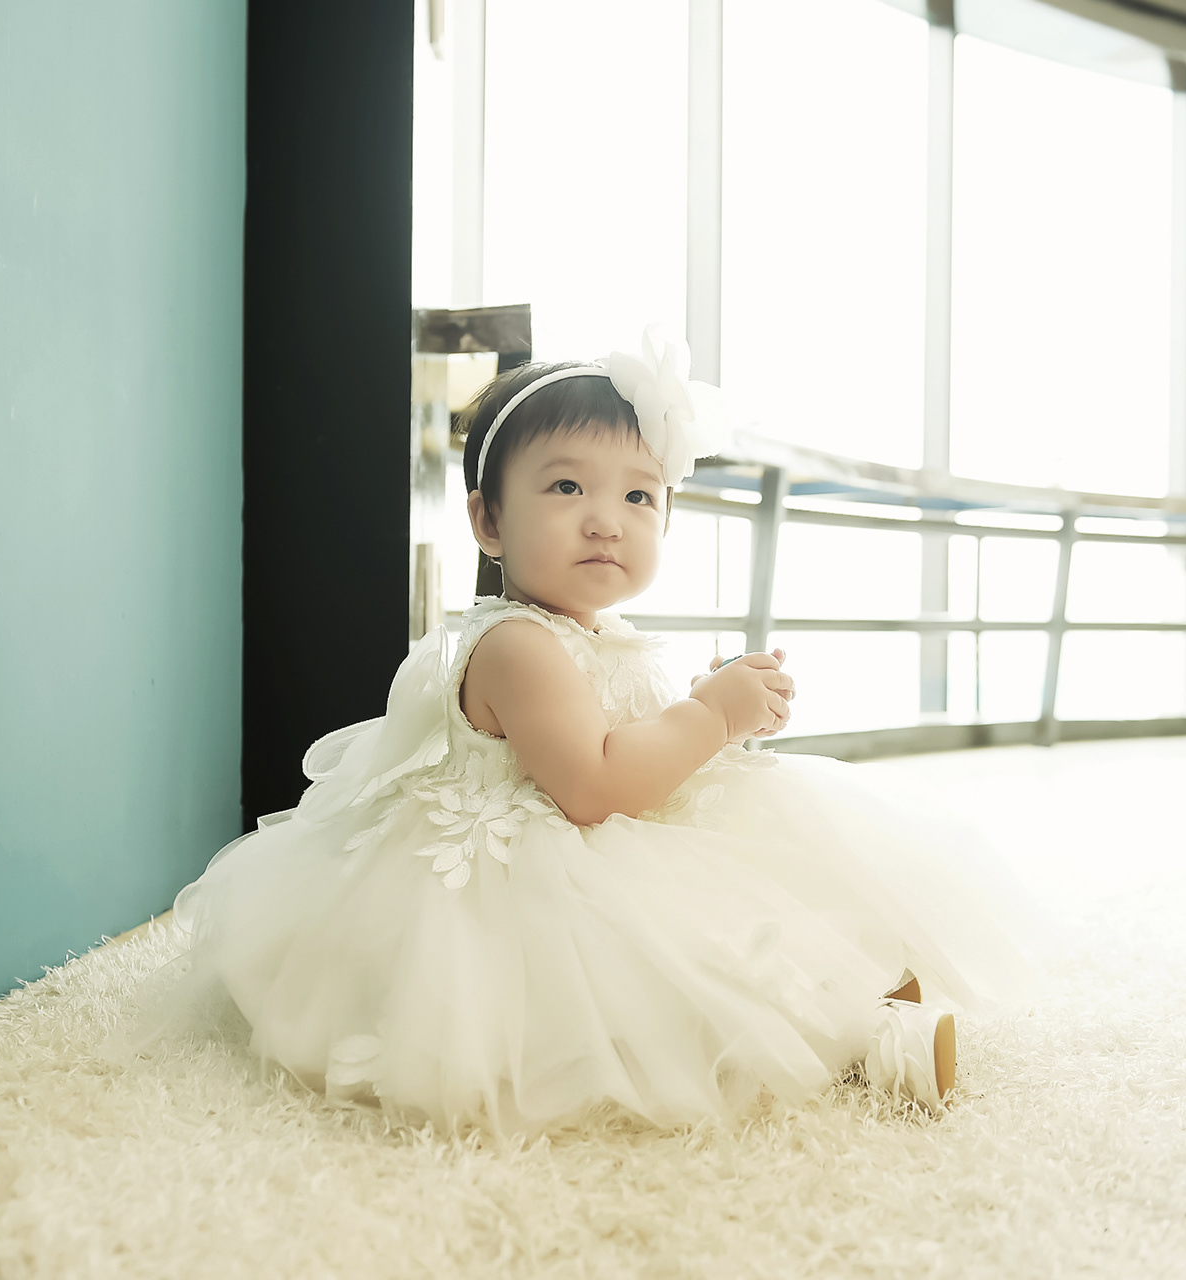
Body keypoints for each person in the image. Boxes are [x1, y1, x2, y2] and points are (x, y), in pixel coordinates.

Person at [130, 330, 1039, 1131]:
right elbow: (595, 787)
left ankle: (852, 984)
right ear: (488, 520)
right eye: (566, 486)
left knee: (760, 858)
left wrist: (704, 712)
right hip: (533, 872)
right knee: (664, 974)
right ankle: (860, 1041)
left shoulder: (598, 632)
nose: (607, 519)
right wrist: (709, 715)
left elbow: (629, 739)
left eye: (641, 497)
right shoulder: (516, 646)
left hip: (618, 826)